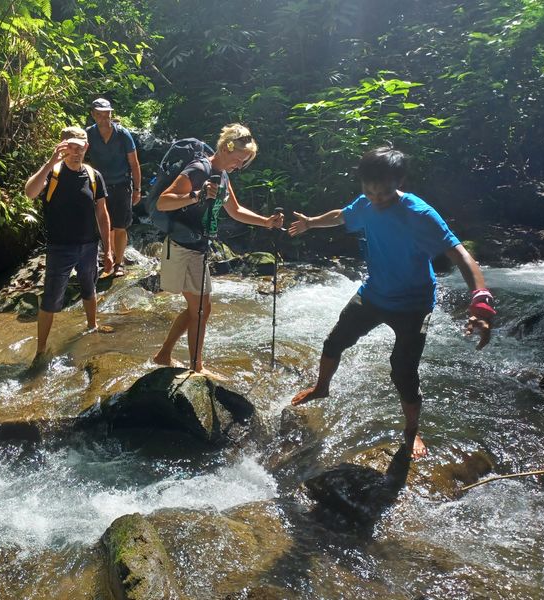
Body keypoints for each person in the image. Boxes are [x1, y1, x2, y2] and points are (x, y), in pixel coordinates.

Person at [287, 147, 496, 459]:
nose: (376, 198)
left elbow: (461, 255)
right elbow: (343, 215)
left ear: (399, 182)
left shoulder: (420, 214)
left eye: (383, 192)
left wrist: (480, 302)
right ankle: (321, 388)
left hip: (414, 304)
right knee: (334, 342)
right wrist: (311, 223)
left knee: (403, 371)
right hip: (374, 294)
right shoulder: (366, 204)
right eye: (369, 190)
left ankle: (412, 432)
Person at [152, 124, 284, 374]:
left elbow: (235, 210)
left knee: (199, 308)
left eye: (244, 162)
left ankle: (164, 354)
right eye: (238, 160)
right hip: (182, 247)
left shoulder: (222, 175)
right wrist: (196, 195)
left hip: (199, 247)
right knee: (201, 308)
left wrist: (265, 222)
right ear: (225, 148)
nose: (239, 165)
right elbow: (163, 202)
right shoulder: (199, 169)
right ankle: (196, 366)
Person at [24, 126, 114, 362]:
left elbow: (102, 214)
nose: (76, 152)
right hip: (60, 247)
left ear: (87, 147)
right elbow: (30, 193)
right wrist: (50, 161)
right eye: (70, 147)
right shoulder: (52, 173)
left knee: (89, 288)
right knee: (51, 299)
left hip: (89, 245)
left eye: (80, 147)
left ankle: (92, 327)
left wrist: (109, 250)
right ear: (62, 147)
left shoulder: (94, 176)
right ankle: (41, 350)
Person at [85, 98, 142, 277]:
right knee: (104, 225)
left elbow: (134, 163)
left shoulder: (123, 134)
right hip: (99, 186)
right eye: (100, 115)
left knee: (120, 225)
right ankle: (107, 257)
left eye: (107, 114)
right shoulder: (88, 134)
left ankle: (119, 263)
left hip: (122, 184)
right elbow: (81, 159)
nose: (104, 118)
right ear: (93, 115)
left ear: (111, 114)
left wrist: (137, 189)